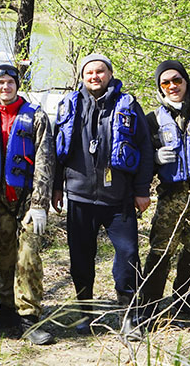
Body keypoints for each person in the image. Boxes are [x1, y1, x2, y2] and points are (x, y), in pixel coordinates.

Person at [52, 54, 154, 339]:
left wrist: (142, 190)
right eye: (89, 72)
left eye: (100, 71)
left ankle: (130, 316)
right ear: (82, 77)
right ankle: (87, 313)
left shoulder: (128, 105)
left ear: (110, 74)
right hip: (80, 197)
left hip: (118, 198)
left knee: (129, 255)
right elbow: (56, 149)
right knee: (80, 259)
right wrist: (56, 187)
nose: (95, 76)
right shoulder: (69, 105)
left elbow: (145, 150)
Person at [140, 61, 190, 325]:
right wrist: (154, 158)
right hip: (170, 195)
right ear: (160, 88)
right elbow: (139, 157)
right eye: (166, 83)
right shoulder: (151, 120)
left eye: (177, 80)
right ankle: (149, 308)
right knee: (160, 251)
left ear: (186, 82)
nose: (172, 86)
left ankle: (185, 305)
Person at [0, 64, 55, 345]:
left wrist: (39, 202)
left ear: (17, 85)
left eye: (10, 82)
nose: (5, 87)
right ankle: (5, 310)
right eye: (0, 83)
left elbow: (45, 159)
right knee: (4, 256)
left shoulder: (36, 116)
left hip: (28, 200)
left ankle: (29, 316)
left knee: (28, 258)